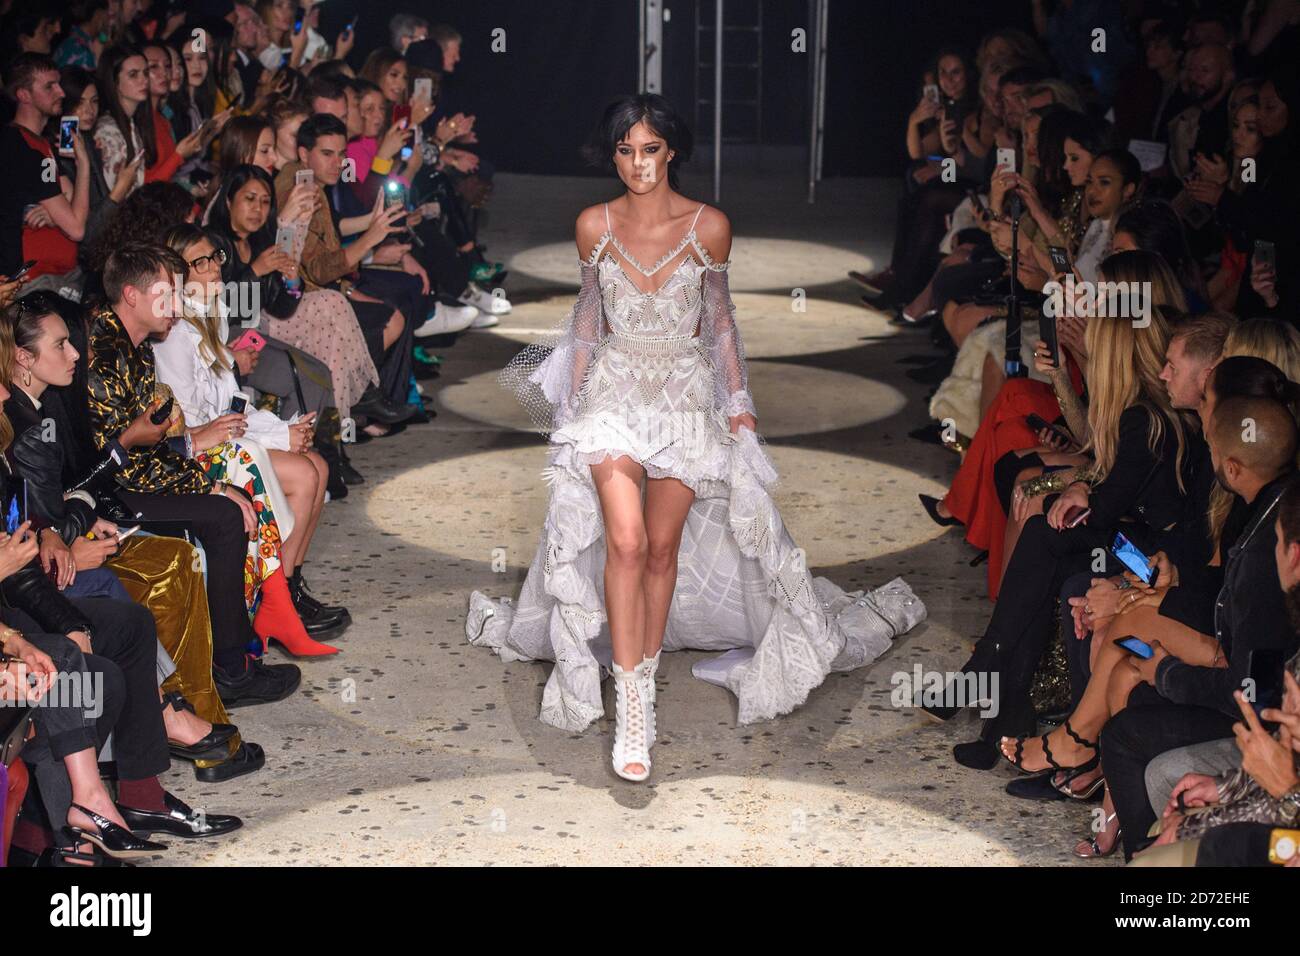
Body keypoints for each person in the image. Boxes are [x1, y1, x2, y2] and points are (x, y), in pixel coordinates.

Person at [466, 94, 925, 782]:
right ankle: (632, 706)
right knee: (621, 540)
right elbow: (589, 317)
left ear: (670, 150)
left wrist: (738, 406)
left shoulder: (709, 226)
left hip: (684, 397)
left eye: (649, 149)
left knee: (659, 550)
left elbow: (719, 323)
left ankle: (644, 681)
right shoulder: (594, 224)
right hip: (615, 394)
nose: (637, 164)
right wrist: (569, 404)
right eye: (625, 151)